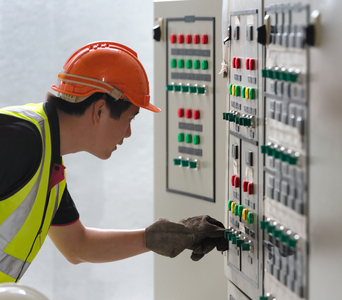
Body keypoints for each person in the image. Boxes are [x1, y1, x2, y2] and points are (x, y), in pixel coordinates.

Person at [0, 41, 227, 283]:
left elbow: (78, 246)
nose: (128, 133)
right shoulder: (19, 139)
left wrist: (157, 237)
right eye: (129, 119)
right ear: (100, 110)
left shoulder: (48, 162)